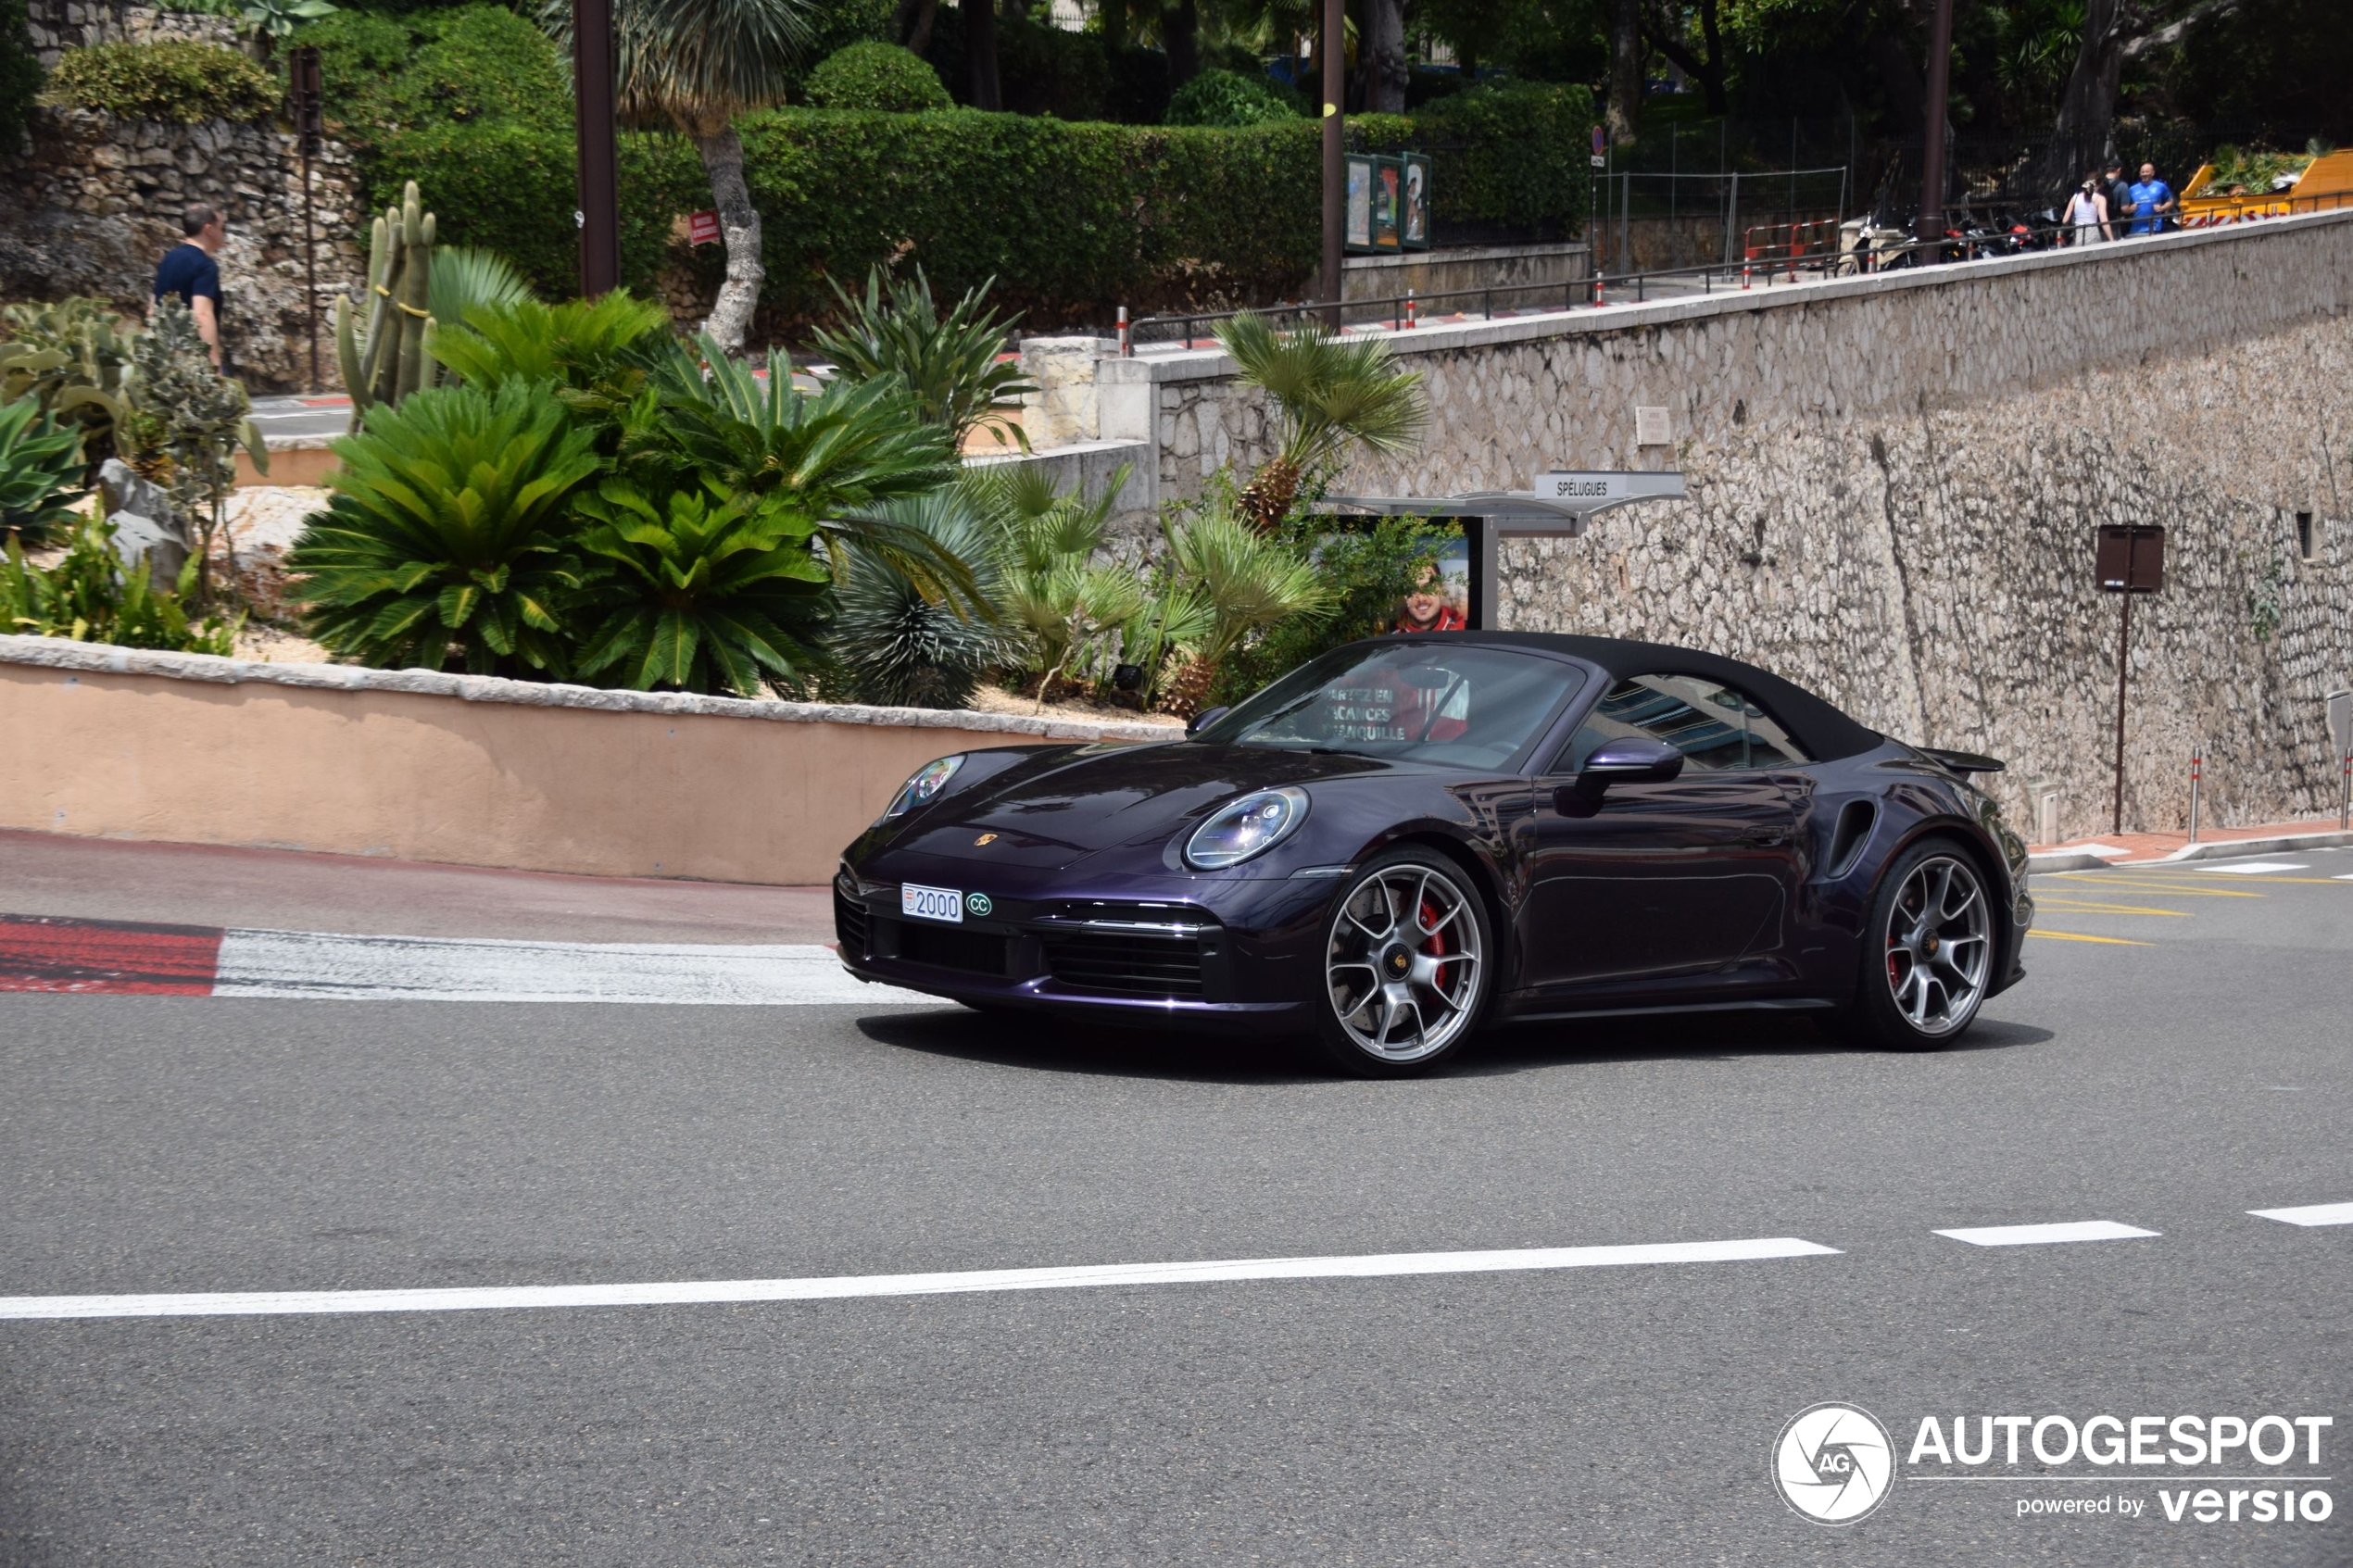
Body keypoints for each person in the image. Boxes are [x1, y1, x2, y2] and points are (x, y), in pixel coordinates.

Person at [153, 201, 225, 369]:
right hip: (194, 360)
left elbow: (152, 309)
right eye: (222, 228)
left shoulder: (169, 258)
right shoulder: (205, 266)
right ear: (209, 229)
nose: (223, 233)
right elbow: (202, 315)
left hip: (165, 357)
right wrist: (214, 364)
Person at [1393, 559, 1466, 633]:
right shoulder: (1392, 640)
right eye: (1413, 589)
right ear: (1406, 596)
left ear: (1441, 591)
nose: (1421, 598)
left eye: (1428, 588)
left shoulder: (1466, 636)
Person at [2124, 162, 2174, 237]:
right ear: (2140, 174)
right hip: (2136, 229)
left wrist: (2162, 208)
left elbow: (2170, 201)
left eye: (2147, 172)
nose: (2144, 174)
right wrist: (2129, 209)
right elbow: (2125, 207)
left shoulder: (2160, 186)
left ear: (2152, 173)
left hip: (2154, 228)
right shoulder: (2132, 189)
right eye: (2142, 172)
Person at [2063, 175, 2110, 244]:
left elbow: (2065, 220)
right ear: (2098, 185)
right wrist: (2111, 239)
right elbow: (2104, 221)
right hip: (2093, 235)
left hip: (2079, 235)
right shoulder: (2100, 199)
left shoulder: (2075, 197)